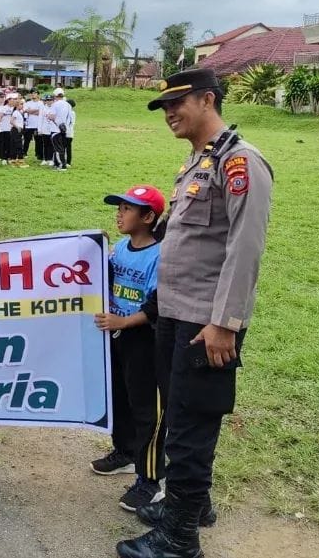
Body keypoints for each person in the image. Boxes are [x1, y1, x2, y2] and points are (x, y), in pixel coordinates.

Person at [117, 69, 272, 558]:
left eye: (177, 104)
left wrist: (225, 323)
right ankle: (191, 505)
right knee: (180, 416)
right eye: (163, 107)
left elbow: (244, 251)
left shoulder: (239, 163)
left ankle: (180, 539)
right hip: (175, 316)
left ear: (208, 100)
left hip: (207, 324)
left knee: (189, 425)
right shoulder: (197, 161)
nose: (169, 114)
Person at [93, 185, 168, 515]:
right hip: (117, 337)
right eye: (119, 207)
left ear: (148, 216)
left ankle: (150, 480)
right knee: (118, 398)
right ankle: (124, 451)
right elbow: (99, 276)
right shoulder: (121, 247)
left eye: (127, 209)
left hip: (143, 343)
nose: (119, 214)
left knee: (147, 411)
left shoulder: (161, 256)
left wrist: (123, 323)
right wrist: (92, 250)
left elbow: (156, 306)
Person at [51, 88, 73, 169]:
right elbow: (70, 118)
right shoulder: (68, 105)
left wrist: (49, 116)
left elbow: (52, 116)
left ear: (55, 96)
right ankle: (61, 163)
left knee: (57, 148)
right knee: (62, 147)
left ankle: (61, 165)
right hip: (65, 129)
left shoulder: (55, 104)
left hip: (56, 129)